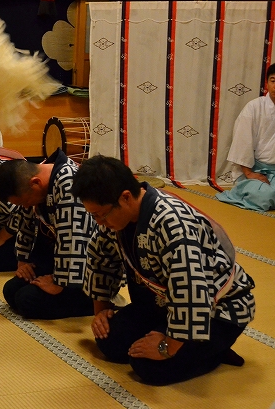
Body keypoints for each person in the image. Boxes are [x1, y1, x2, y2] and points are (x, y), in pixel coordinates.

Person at [71, 155, 256, 385]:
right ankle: (193, 347)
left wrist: (167, 346)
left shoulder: (173, 223)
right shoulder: (116, 218)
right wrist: (102, 313)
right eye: (93, 216)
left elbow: (191, 291)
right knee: (109, 339)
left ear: (125, 197)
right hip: (161, 305)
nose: (99, 222)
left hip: (216, 312)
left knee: (149, 367)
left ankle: (214, 350)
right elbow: (100, 259)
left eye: (101, 214)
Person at [0, 148, 95, 319]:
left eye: (25, 201)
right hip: (55, 254)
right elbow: (25, 221)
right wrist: (23, 261)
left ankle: (91, 301)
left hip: (86, 265)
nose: (26, 206)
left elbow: (74, 237)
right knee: (11, 291)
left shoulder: (68, 182)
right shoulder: (37, 176)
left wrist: (59, 282)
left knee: (27, 301)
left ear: (35, 183)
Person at [216, 63, 275, 211]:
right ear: (267, 83)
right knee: (266, 196)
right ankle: (243, 190)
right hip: (254, 170)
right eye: (273, 81)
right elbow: (243, 142)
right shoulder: (254, 107)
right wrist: (249, 173)